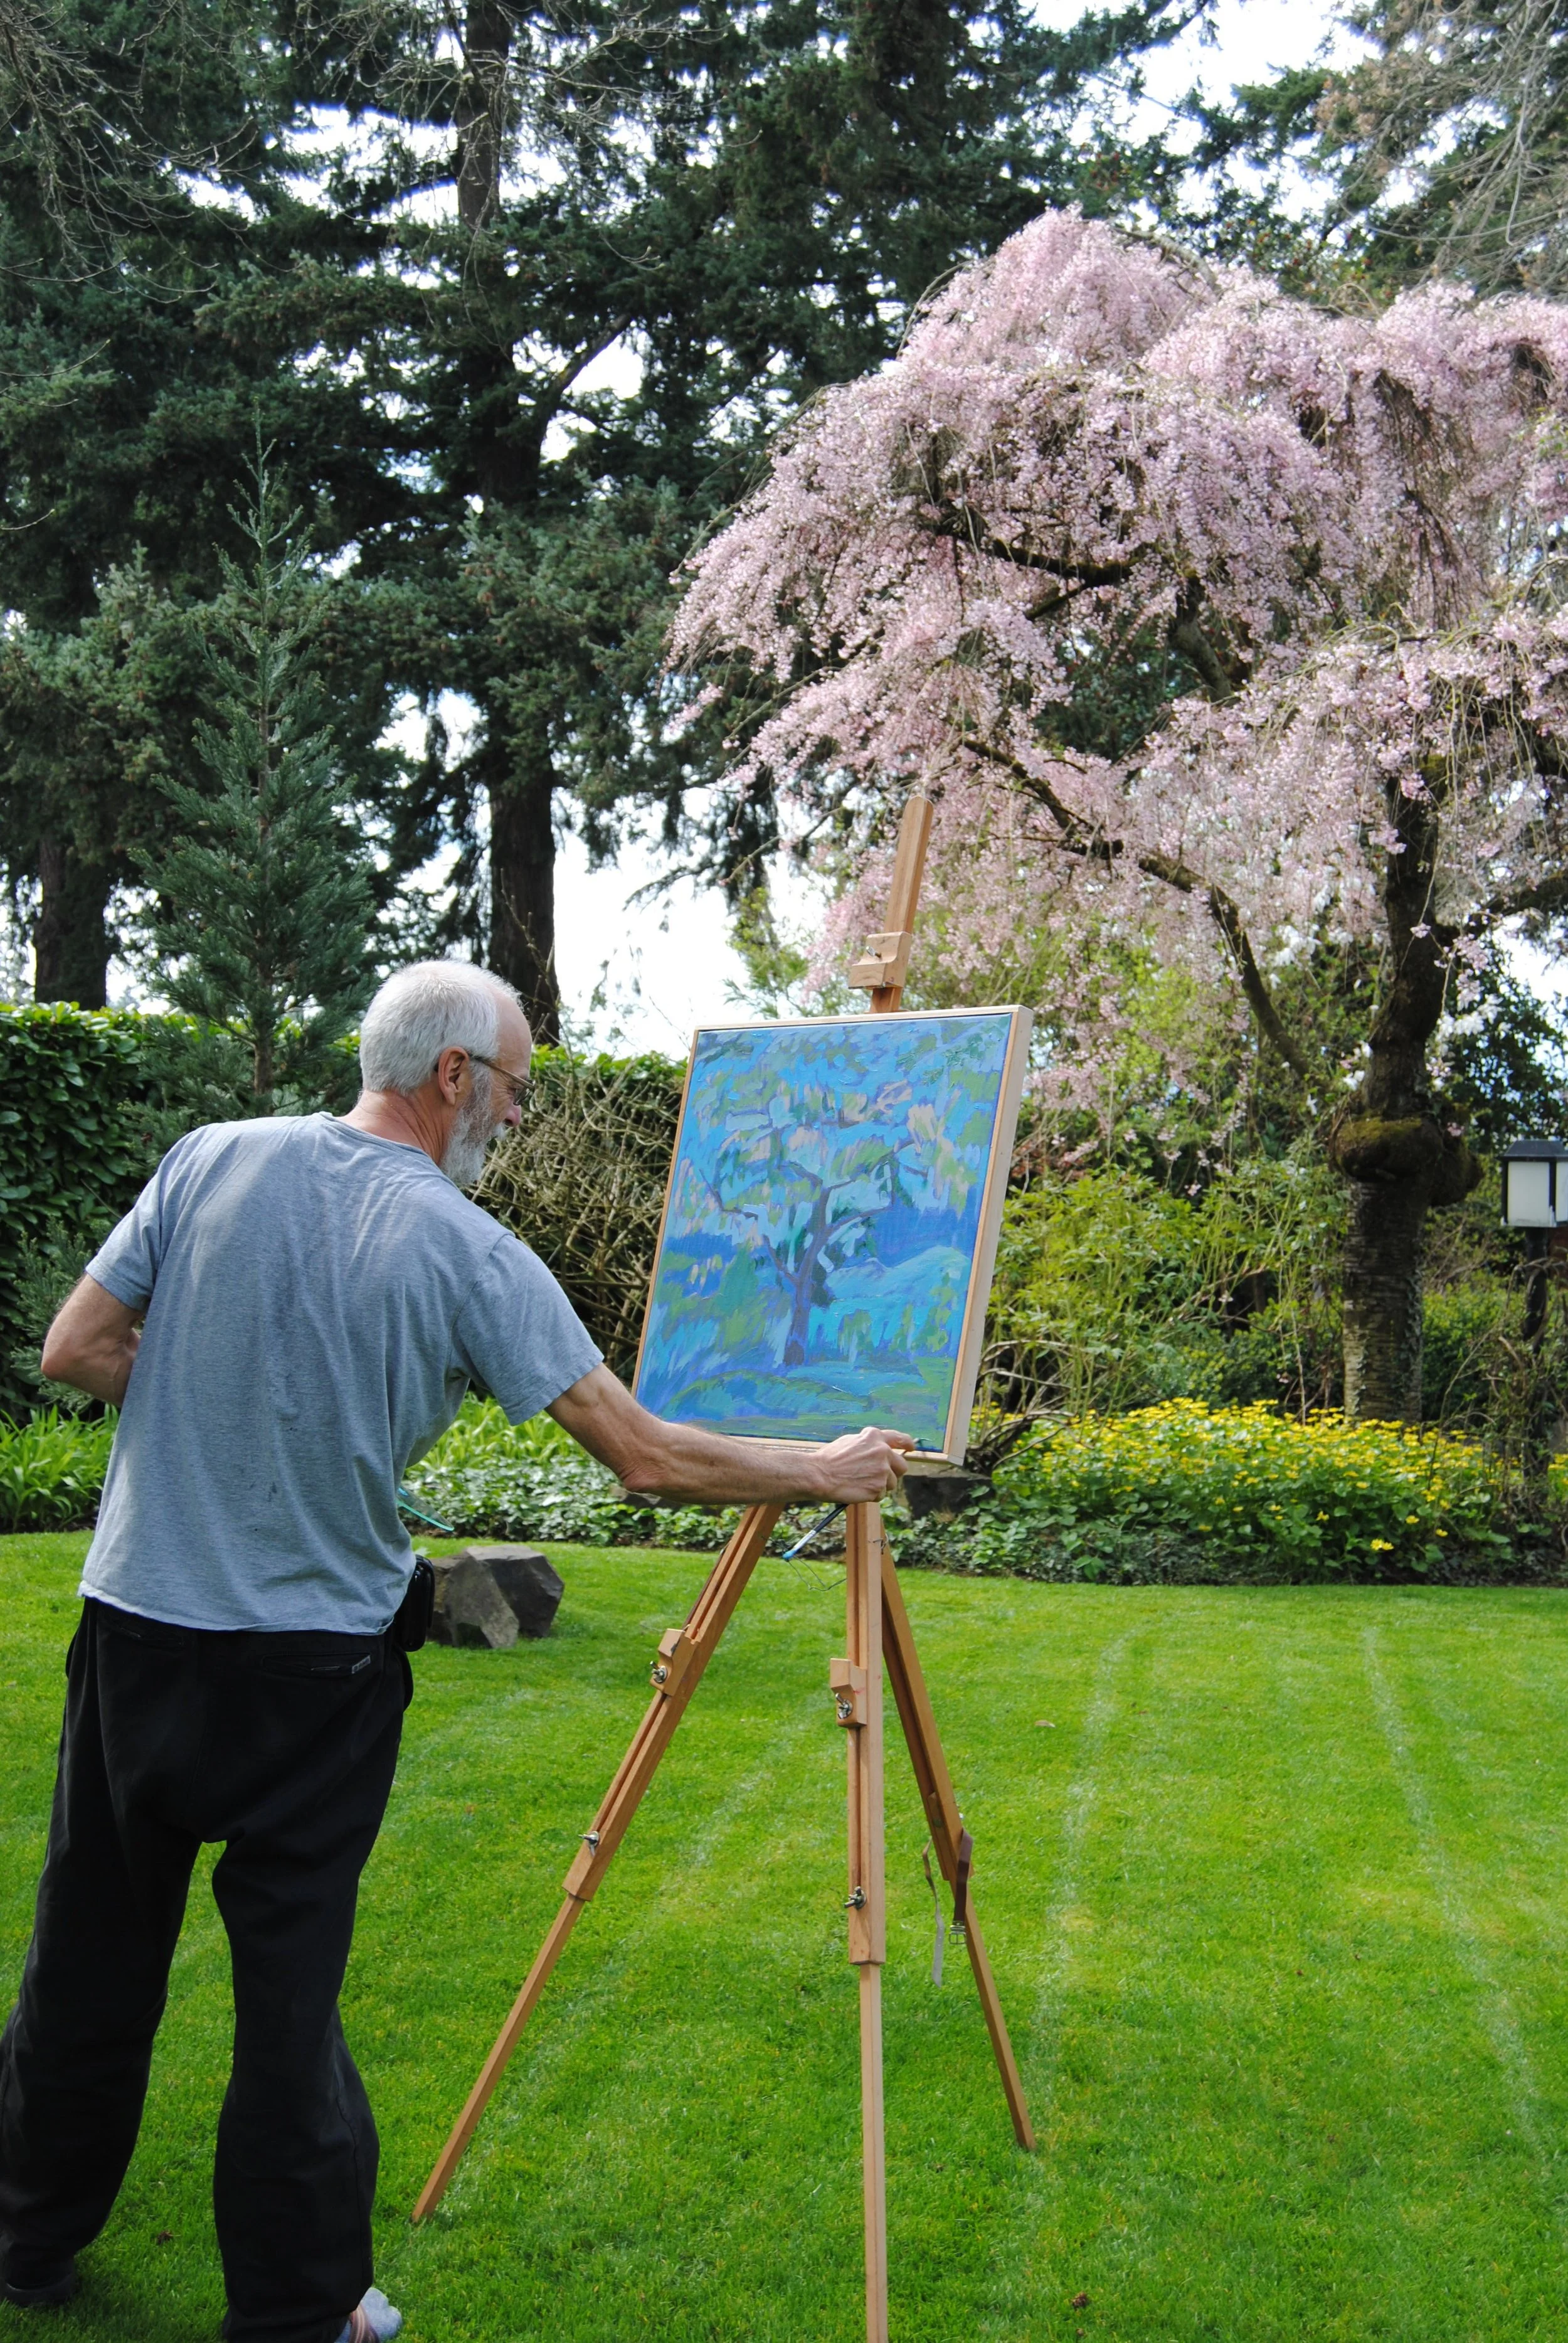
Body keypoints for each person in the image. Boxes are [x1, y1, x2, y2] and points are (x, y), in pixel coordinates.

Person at [0, 960, 913, 2343]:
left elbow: (75, 1348)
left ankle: (21, 2244)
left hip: (135, 1634)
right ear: (452, 1081)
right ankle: (304, 2314)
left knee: (86, 1959)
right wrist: (824, 1464)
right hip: (308, 1676)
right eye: (519, 1094)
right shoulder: (470, 1250)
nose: (519, 1121)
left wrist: (223, 1394)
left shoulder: (207, 1160)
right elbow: (648, 1460)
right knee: (285, 2006)